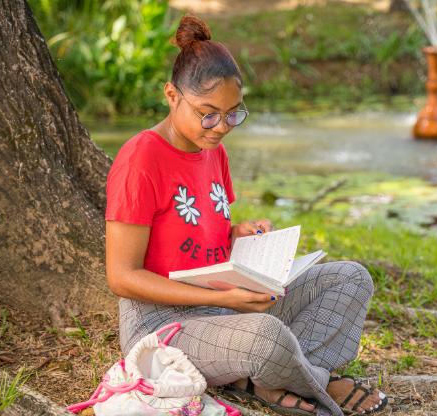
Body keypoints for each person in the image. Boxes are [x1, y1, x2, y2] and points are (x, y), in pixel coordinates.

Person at [104, 12, 388, 416]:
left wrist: (241, 234)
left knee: (350, 280)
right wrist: (229, 302)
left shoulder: (212, 150)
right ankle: (313, 382)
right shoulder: (140, 159)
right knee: (264, 336)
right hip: (163, 325)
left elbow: (199, 236)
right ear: (171, 95)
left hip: (223, 307)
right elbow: (122, 276)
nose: (221, 127)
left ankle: (253, 376)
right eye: (207, 112)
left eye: (233, 112)